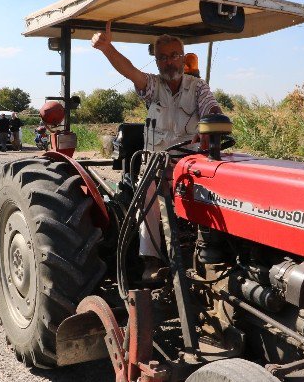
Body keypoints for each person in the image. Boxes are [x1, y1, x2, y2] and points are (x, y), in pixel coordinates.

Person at [92, 22, 222, 281]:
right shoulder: (153, 87)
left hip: (189, 163)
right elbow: (131, 72)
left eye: (174, 55)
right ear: (157, 62)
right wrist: (108, 49)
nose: (169, 62)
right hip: (156, 163)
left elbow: (211, 107)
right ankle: (151, 260)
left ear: (183, 58)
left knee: (221, 184)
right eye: (162, 57)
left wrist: (210, 123)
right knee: (148, 191)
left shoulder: (197, 86)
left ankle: (215, 252)